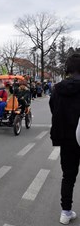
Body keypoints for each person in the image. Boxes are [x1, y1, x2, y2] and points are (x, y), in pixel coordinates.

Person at [49, 52, 80, 225]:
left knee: (68, 176)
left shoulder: (58, 89)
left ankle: (65, 212)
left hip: (67, 138)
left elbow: (54, 109)